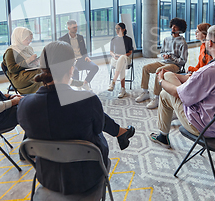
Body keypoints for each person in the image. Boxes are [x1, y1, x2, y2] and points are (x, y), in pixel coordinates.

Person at [17, 41, 135, 195]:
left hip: (47, 178)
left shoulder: (24, 105)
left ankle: (120, 132)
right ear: (71, 68)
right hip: (87, 178)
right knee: (90, 116)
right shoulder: (88, 99)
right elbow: (98, 129)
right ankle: (120, 132)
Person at [149, 25, 215, 149]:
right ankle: (163, 135)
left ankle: (163, 136)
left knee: (164, 94)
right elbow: (198, 79)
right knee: (169, 78)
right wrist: (174, 75)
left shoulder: (208, 71)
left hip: (203, 127)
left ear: (210, 43)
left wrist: (161, 80)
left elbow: (177, 93)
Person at [136, 17, 188, 110]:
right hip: (164, 62)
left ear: (180, 29)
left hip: (175, 65)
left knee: (159, 71)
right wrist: (164, 55)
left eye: (175, 27)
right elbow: (162, 52)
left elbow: (183, 60)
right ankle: (145, 92)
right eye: (172, 26)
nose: (173, 28)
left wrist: (171, 57)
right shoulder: (166, 39)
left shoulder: (183, 42)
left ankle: (156, 97)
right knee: (145, 67)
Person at [59, 20, 98, 90]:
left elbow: (84, 50)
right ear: (69, 28)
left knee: (95, 67)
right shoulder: (62, 39)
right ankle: (78, 86)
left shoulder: (80, 37)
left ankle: (85, 83)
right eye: (74, 27)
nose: (76, 29)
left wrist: (86, 57)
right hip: (71, 62)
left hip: (82, 59)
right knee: (75, 71)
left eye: (76, 27)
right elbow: (62, 54)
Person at [2, 27, 41, 94]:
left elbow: (29, 63)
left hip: (29, 72)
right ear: (19, 38)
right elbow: (12, 69)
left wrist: (36, 61)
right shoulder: (11, 51)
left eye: (31, 39)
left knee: (46, 71)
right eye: (27, 39)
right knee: (43, 74)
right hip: (19, 77)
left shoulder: (28, 48)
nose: (30, 41)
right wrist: (29, 60)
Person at [107, 23, 133, 99]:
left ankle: (113, 82)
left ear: (123, 29)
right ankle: (122, 89)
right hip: (115, 59)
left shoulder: (128, 39)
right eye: (116, 29)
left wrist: (124, 55)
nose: (117, 30)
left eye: (118, 28)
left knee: (122, 59)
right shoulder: (113, 39)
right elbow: (111, 51)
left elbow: (130, 52)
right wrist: (114, 55)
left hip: (125, 58)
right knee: (121, 65)